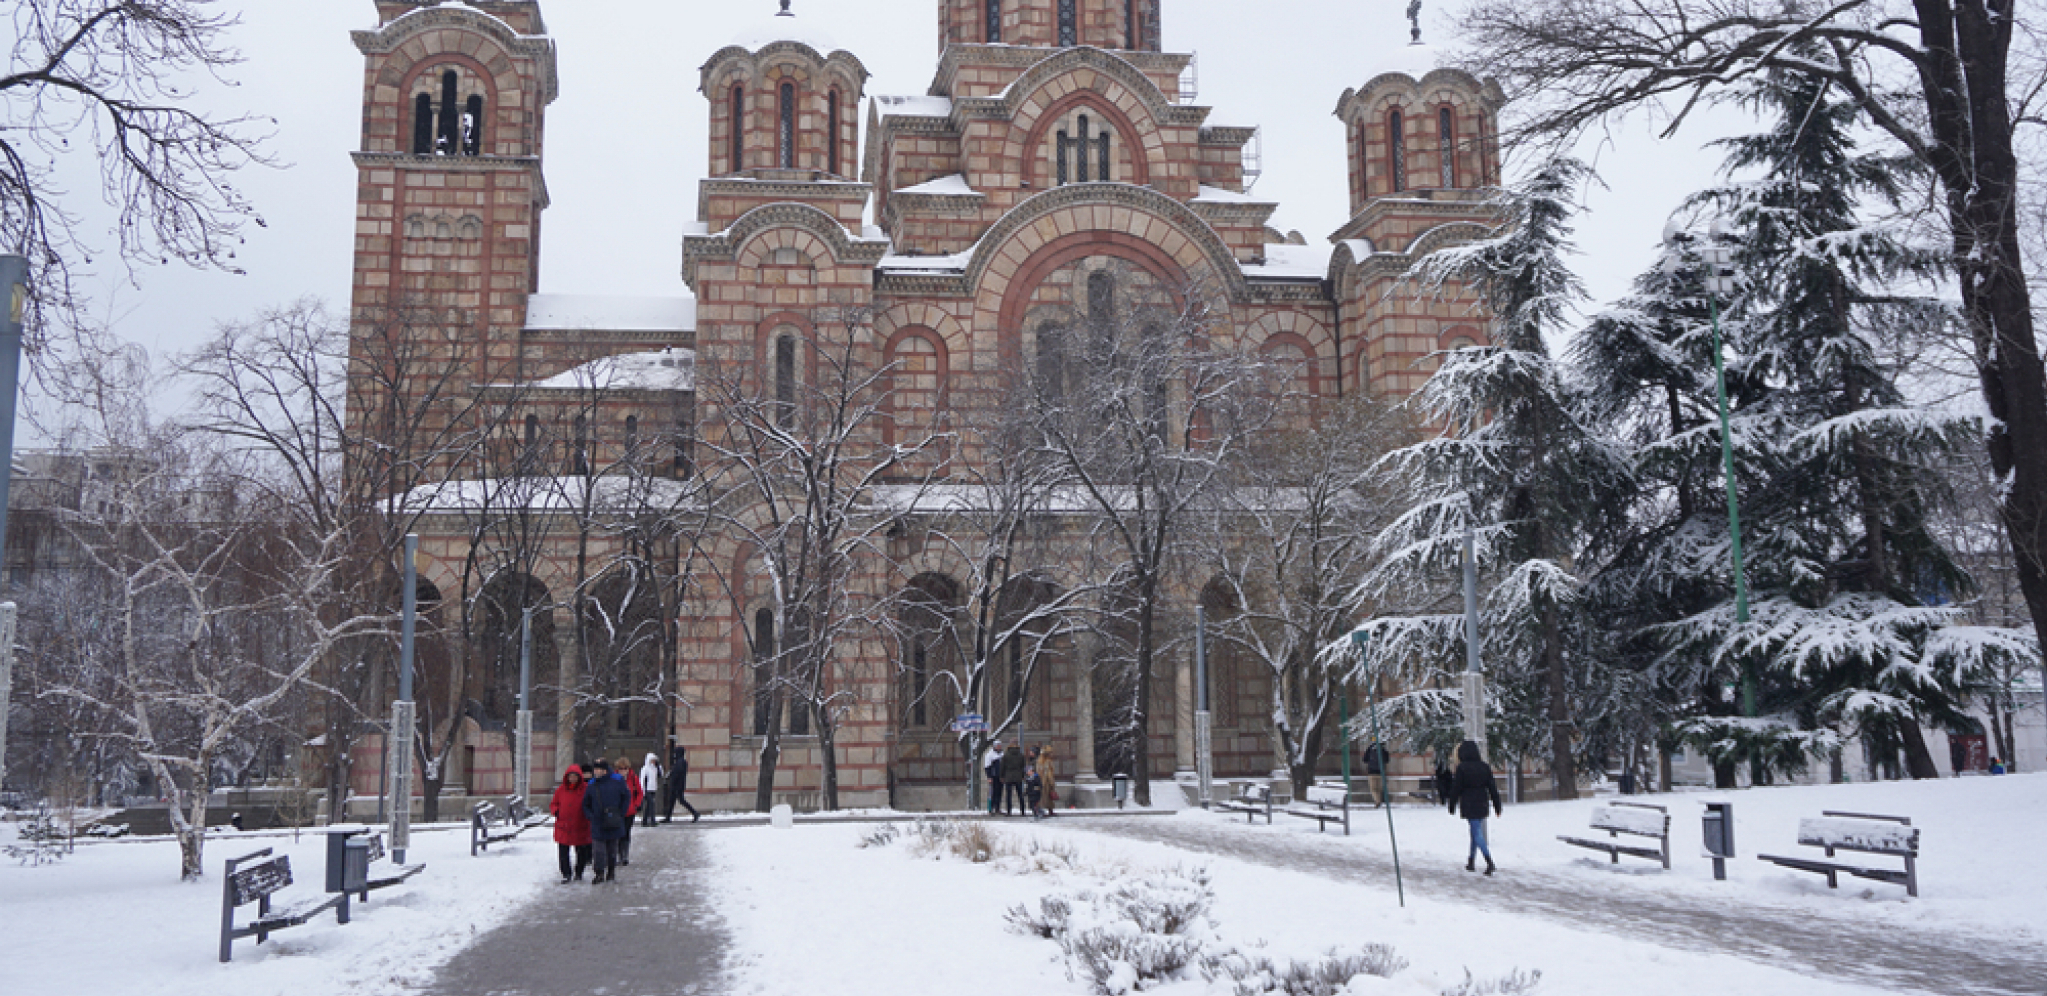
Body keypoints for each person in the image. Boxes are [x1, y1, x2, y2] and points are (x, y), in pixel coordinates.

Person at [1449, 739, 1502, 875]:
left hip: (1469, 803)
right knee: (1475, 831)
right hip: (1482, 802)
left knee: (1476, 832)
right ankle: (1471, 861)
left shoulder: (1462, 768)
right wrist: (1497, 805)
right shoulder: (1484, 767)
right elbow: (1492, 787)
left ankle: (1489, 861)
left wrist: (1452, 804)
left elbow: (1456, 788)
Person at [581, 758, 632, 884]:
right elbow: (586, 803)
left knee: (612, 849)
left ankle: (611, 871)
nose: (596, 771)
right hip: (597, 821)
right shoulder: (592, 784)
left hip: (613, 820)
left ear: (604, 770)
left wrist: (621, 813)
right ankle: (599, 873)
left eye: (598, 769)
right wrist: (590, 816)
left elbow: (626, 797)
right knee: (598, 850)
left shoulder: (617, 781)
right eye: (595, 769)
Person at [549, 764, 593, 883]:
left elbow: (591, 803)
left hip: (581, 824)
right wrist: (556, 811)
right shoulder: (560, 790)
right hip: (564, 825)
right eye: (570, 776)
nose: (572, 779)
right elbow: (554, 803)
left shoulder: (586, 789)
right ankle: (566, 873)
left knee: (581, 852)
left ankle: (579, 872)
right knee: (563, 852)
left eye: (575, 776)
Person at [615, 755, 643, 865]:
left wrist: (636, 804)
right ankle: (618, 854)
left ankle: (624, 855)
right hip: (617, 811)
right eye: (620, 768)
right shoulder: (613, 779)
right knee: (617, 833)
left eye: (625, 768)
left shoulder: (633, 778)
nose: (623, 771)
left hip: (630, 810)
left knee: (626, 833)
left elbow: (639, 792)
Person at [665, 744, 700, 823]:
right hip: (677, 785)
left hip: (678, 785)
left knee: (681, 800)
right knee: (672, 801)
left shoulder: (681, 762)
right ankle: (668, 817)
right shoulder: (679, 762)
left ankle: (695, 813)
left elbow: (677, 773)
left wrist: (672, 776)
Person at [1000, 740, 1028, 815]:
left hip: (1008, 776)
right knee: (1020, 794)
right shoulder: (1021, 755)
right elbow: (1023, 766)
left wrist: (1002, 776)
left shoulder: (1006, 755)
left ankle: (1009, 811)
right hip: (1018, 776)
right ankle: (1023, 810)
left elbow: (1002, 766)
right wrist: (1023, 775)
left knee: (1008, 795)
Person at [639, 753, 663, 828]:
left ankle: (645, 821)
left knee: (649, 805)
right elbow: (642, 779)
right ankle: (652, 820)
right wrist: (642, 790)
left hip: (653, 788)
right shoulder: (645, 768)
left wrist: (658, 766)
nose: (653, 762)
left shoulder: (655, 768)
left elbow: (660, 774)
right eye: (652, 760)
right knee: (651, 805)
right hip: (647, 789)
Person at [1035, 744, 1059, 817]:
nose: (1052, 754)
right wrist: (1052, 783)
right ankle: (1047, 811)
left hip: (1041, 781)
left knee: (1043, 797)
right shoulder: (1048, 762)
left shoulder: (1039, 761)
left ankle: (1043, 810)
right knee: (1046, 797)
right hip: (1046, 783)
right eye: (1050, 753)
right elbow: (1049, 774)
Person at [983, 740, 1005, 814]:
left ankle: (997, 808)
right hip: (993, 776)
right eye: (998, 746)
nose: (999, 747)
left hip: (1000, 777)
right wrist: (989, 777)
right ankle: (991, 808)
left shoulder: (1002, 754)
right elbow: (987, 767)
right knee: (993, 793)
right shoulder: (990, 755)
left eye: (1000, 746)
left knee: (999, 792)